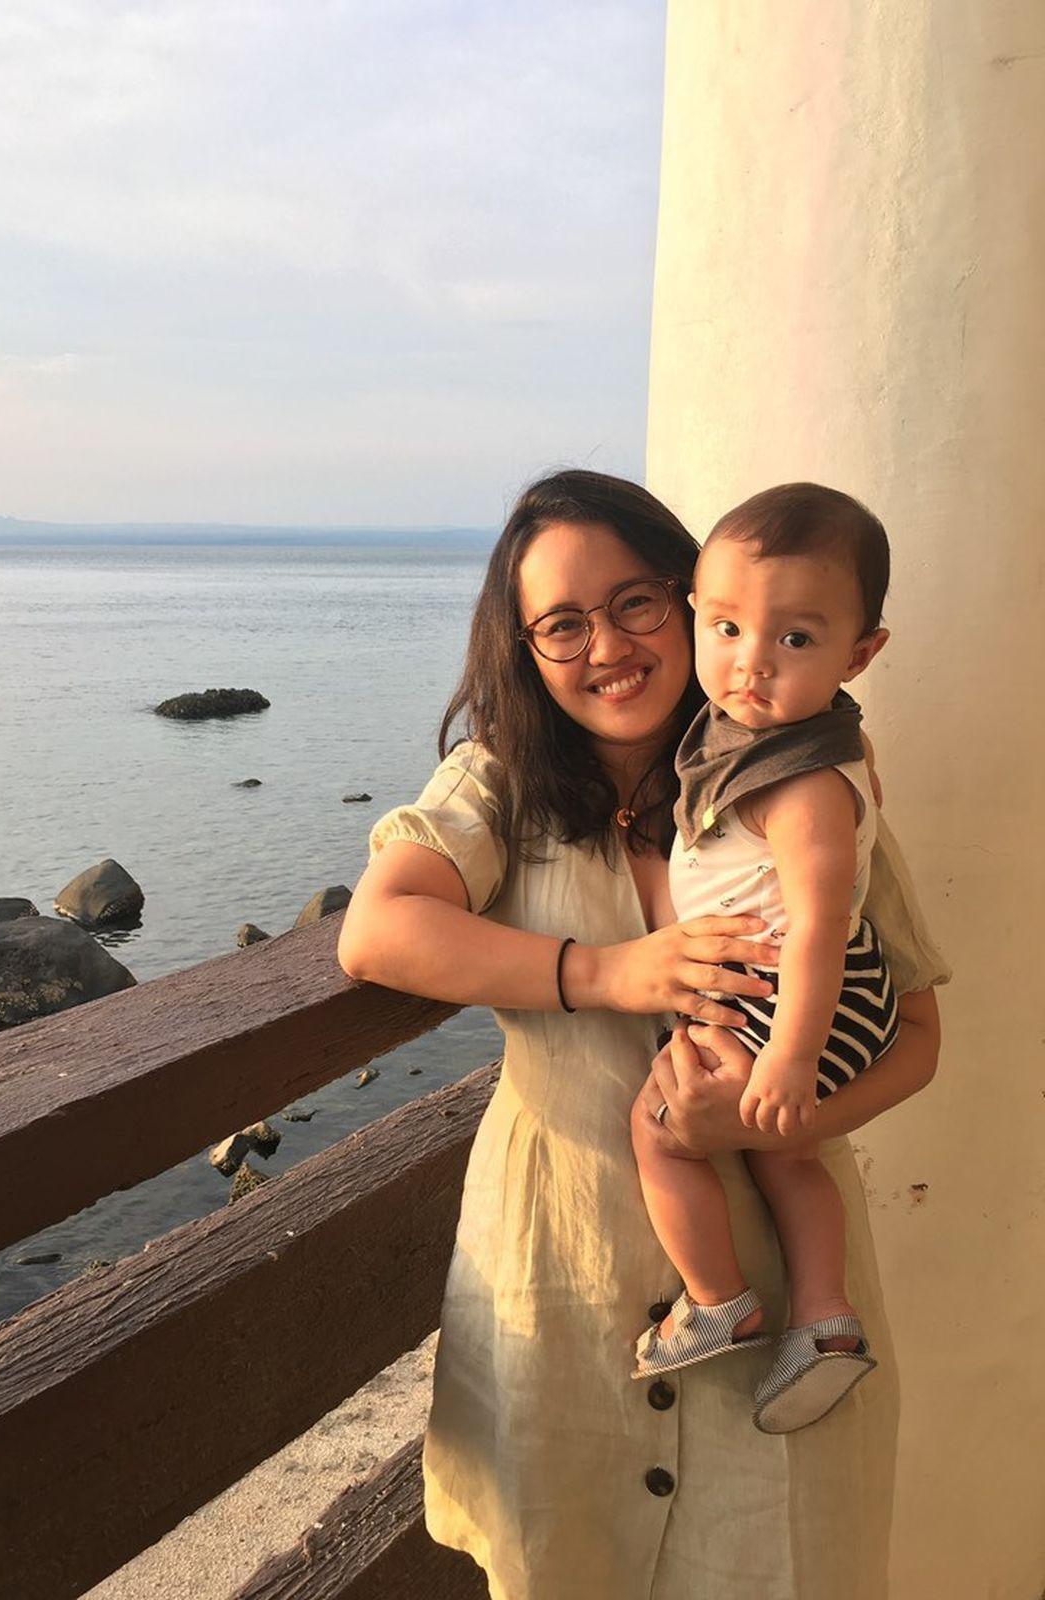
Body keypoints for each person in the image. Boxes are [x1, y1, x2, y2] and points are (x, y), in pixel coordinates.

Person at [337, 470, 947, 1600]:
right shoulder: (499, 784)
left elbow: (915, 1030)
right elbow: (376, 933)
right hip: (561, 1279)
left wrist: (786, 1110)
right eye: (562, 623)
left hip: (788, 1306)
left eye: (635, 602)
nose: (606, 644)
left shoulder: (796, 778)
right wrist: (607, 972)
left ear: (687, 594)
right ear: (523, 646)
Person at [632, 483, 904, 1436]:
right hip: (794, 989)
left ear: (859, 652)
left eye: (795, 639)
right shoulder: (749, 743)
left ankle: (718, 1300)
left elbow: (822, 925)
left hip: (802, 994)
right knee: (789, 1156)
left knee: (661, 1126)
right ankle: (825, 1320)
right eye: (728, 628)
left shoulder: (800, 781)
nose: (750, 664)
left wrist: (791, 1058)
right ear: (696, 616)